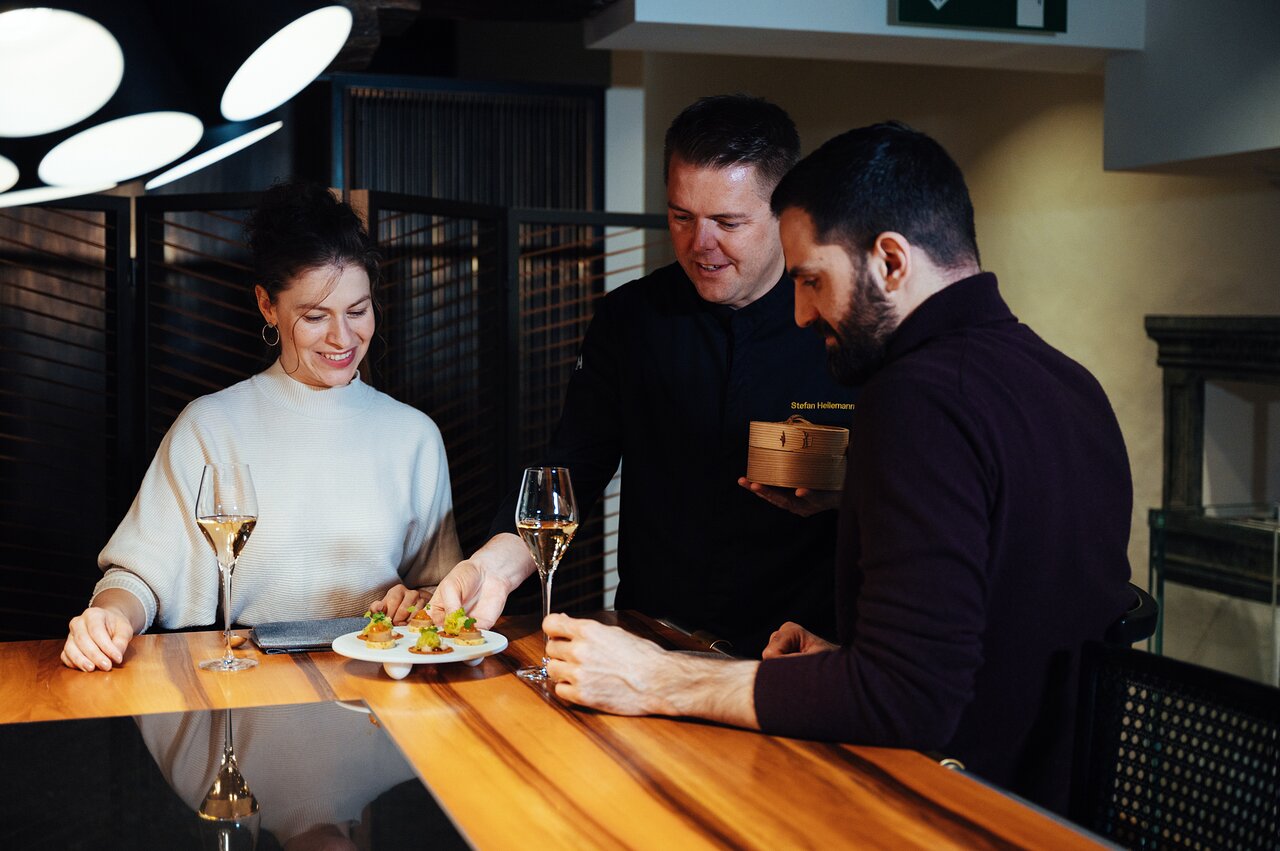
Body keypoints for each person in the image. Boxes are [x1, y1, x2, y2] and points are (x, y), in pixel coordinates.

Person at [539, 122, 1133, 814]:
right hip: (1058, 812)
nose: (799, 313)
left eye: (813, 280)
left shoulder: (915, 397)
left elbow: (905, 698)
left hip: (951, 811)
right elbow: (996, 625)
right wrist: (839, 666)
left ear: (891, 261)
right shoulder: (1072, 383)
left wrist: (660, 677)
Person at [418, 95, 858, 657]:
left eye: (728, 222)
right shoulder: (631, 317)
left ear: (785, 212)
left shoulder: (841, 321)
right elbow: (575, 465)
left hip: (801, 651)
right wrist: (492, 569)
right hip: (654, 643)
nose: (700, 244)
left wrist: (843, 492)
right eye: (681, 217)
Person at [61, 181, 461, 672]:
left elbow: (441, 594)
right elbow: (140, 578)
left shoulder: (414, 436)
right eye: (315, 316)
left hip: (379, 684)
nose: (343, 337)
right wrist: (107, 618)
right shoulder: (210, 426)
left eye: (358, 311)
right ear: (267, 305)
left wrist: (422, 602)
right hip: (247, 682)